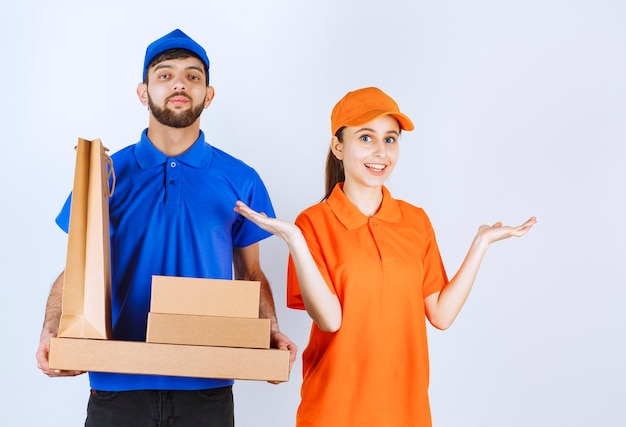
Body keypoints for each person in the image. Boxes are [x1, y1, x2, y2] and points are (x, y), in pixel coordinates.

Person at [36, 29, 297, 427]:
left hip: (207, 388)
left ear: (208, 95)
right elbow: (78, 267)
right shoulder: (104, 174)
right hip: (117, 384)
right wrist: (51, 327)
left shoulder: (241, 179)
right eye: (165, 74)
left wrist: (271, 331)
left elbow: (250, 273)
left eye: (193, 76)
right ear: (143, 92)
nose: (179, 83)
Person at [234, 86, 536, 426]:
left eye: (390, 139)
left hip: (406, 413)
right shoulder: (313, 223)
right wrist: (295, 240)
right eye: (366, 138)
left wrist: (480, 244)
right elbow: (329, 320)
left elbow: (441, 313)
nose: (380, 152)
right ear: (338, 146)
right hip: (334, 411)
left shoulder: (415, 221)